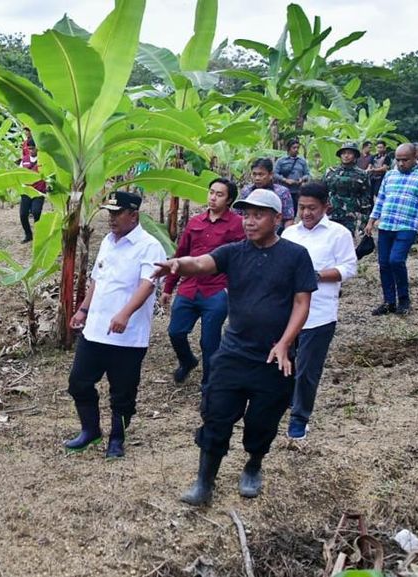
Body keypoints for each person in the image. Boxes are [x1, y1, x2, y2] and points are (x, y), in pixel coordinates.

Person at [153, 189, 316, 504]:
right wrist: (177, 264)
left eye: (258, 215)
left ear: (277, 218)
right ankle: (204, 482)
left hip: (273, 357)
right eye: (246, 215)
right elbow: (201, 264)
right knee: (216, 415)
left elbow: (302, 303)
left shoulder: (296, 256)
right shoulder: (233, 252)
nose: (249, 222)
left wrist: (285, 343)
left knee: (262, 421)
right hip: (233, 353)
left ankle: (253, 465)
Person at [64, 191, 166, 459]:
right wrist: (83, 309)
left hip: (127, 336)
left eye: (117, 213)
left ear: (134, 215)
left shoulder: (149, 245)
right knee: (79, 382)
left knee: (122, 394)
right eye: (109, 213)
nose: (111, 218)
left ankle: (117, 439)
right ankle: (90, 430)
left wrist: (125, 313)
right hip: (96, 329)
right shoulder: (108, 241)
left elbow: (148, 283)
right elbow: (98, 278)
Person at [281, 182, 357, 439]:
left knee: (308, 370)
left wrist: (315, 276)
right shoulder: (290, 234)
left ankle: (299, 419)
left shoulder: (339, 234)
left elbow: (348, 268)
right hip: (288, 312)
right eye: (302, 207)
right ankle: (288, 402)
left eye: (312, 208)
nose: (306, 213)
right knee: (285, 362)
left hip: (320, 313)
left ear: (326, 206)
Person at [162, 178, 245, 387]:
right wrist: (168, 287)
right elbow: (180, 254)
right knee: (176, 332)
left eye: (219, 194)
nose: (213, 198)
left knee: (209, 342)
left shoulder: (237, 225)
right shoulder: (195, 222)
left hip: (216, 290)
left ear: (229, 200)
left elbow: (241, 259)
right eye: (211, 192)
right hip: (189, 287)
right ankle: (187, 361)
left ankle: (209, 385)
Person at [365, 143, 418, 315]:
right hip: (387, 224)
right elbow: (381, 199)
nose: (401, 163)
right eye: (398, 160)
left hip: (408, 225)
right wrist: (371, 220)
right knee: (383, 264)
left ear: (415, 157)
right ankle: (389, 302)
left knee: (396, 260)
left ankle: (404, 299)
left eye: (405, 160)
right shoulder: (389, 175)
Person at [323, 141, 372, 236]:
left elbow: (365, 198)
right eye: (344, 153)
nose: (346, 156)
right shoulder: (330, 172)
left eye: (349, 153)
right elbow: (322, 191)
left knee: (346, 242)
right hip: (330, 213)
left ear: (355, 156)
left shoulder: (362, 175)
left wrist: (364, 221)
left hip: (350, 215)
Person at [237, 158, 294, 228]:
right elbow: (238, 214)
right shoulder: (246, 191)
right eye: (254, 174)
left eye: (261, 174)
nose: (257, 178)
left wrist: (285, 236)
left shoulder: (282, 192)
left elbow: (288, 218)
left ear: (270, 175)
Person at [19, 141, 45, 243]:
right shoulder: (24, 160)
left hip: (39, 191)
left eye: (32, 148)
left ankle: (38, 234)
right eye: (29, 149)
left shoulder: (43, 161)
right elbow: (19, 174)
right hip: (26, 191)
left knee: (36, 212)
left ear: (37, 148)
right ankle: (28, 234)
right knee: (23, 214)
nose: (31, 151)